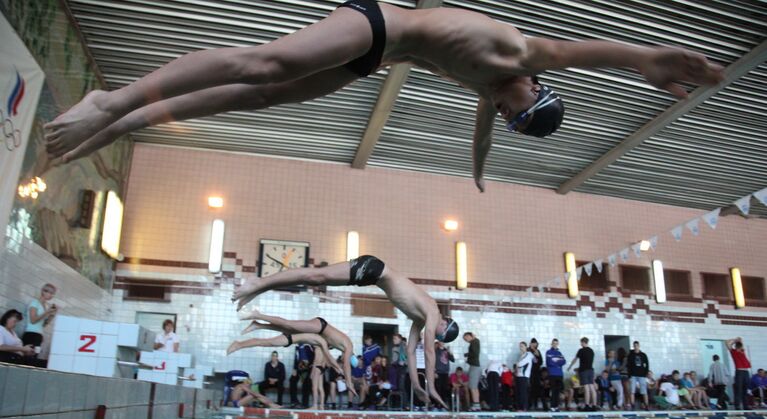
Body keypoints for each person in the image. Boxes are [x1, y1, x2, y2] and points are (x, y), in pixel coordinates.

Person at [45, 0, 724, 196]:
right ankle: (113, 98)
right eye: (522, 108)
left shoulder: (494, 93)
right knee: (266, 62)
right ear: (536, 89)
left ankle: (126, 118)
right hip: (383, 21)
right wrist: (648, 59)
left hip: (371, 59)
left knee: (256, 100)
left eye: (514, 119)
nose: (508, 110)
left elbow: (481, 134)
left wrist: (481, 172)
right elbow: (594, 50)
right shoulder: (524, 57)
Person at [231, 255, 459, 408]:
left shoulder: (420, 319)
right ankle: (257, 283)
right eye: (440, 334)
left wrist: (419, 386)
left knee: (315, 278)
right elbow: (428, 352)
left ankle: (258, 287)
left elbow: (411, 352)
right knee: (315, 276)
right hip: (376, 269)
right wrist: (433, 388)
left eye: (439, 337)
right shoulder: (432, 311)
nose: (436, 336)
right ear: (445, 322)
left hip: (374, 275)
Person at [238, 311, 358, 397]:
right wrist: (348, 382)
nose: (343, 360)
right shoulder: (349, 346)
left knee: (287, 330)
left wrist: (337, 368)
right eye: (344, 360)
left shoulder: (341, 348)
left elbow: (330, 357)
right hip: (320, 326)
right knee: (288, 324)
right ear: (351, 357)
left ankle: (258, 325)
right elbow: (347, 365)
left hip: (318, 332)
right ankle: (258, 315)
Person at [23, 283, 57, 352]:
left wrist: (52, 315)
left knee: (34, 358)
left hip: (39, 335)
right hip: (31, 334)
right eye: (50, 293)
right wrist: (47, 312)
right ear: (43, 291)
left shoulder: (46, 306)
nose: (51, 295)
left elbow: (44, 324)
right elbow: (33, 320)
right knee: (28, 359)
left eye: (53, 294)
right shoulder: (35, 303)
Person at [568, 337, 596, 411]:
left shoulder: (581, 350)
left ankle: (587, 405)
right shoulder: (591, 351)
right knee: (592, 388)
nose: (580, 344)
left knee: (586, 388)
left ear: (583, 342)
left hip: (584, 371)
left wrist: (570, 366)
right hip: (591, 370)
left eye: (581, 342)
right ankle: (594, 405)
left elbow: (575, 359)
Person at [726, 337, 752, 410]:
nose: (741, 348)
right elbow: (726, 342)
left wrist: (740, 340)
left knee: (745, 390)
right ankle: (737, 406)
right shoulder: (733, 352)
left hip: (746, 372)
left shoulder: (742, 351)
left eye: (741, 347)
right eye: (739, 347)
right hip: (739, 372)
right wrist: (734, 340)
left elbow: (741, 342)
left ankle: (745, 406)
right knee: (738, 389)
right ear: (737, 347)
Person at [626, 341, 650, 410]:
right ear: (633, 346)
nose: (636, 347)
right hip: (633, 375)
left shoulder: (643, 355)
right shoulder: (631, 355)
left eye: (637, 345)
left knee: (644, 390)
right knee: (632, 390)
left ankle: (646, 405)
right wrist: (629, 375)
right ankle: (632, 405)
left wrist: (645, 373)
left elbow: (647, 365)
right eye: (634, 346)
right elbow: (629, 366)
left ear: (639, 346)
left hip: (641, 375)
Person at [545, 338, 566, 412]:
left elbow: (564, 361)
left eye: (556, 343)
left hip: (559, 374)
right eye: (554, 343)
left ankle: (556, 406)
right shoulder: (548, 352)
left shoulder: (559, 353)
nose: (555, 345)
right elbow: (549, 362)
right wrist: (558, 362)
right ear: (551, 344)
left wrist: (555, 361)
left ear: (558, 344)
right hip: (552, 374)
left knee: (558, 391)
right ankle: (552, 406)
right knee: (553, 391)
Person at [463, 332, 481, 411]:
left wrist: (468, 356)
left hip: (474, 366)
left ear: (469, 336)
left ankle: (476, 405)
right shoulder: (475, 342)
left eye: (465, 338)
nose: (465, 340)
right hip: (475, 366)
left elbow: (474, 353)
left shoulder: (474, 342)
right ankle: (476, 404)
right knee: (474, 387)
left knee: (473, 387)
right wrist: (468, 354)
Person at [515, 341, 535, 412]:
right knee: (519, 392)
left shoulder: (528, 354)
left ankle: (524, 408)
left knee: (523, 393)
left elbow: (520, 364)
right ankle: (520, 407)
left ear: (526, 347)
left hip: (524, 376)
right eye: (520, 346)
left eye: (522, 346)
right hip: (519, 376)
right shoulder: (521, 355)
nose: (521, 348)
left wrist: (517, 364)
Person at [435, 341, 455, 407]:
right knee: (438, 388)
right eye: (440, 342)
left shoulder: (446, 351)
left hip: (445, 372)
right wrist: (434, 371)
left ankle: (443, 403)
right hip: (438, 372)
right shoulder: (435, 350)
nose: (442, 343)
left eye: (443, 342)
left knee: (445, 388)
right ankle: (438, 403)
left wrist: (450, 352)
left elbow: (453, 360)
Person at [528, 339, 543, 410]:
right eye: (533, 344)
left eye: (536, 344)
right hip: (529, 372)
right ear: (531, 344)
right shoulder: (528, 351)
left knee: (536, 389)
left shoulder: (538, 351)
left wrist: (538, 355)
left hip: (536, 372)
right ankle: (530, 404)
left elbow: (541, 362)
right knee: (530, 389)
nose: (534, 345)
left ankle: (535, 404)